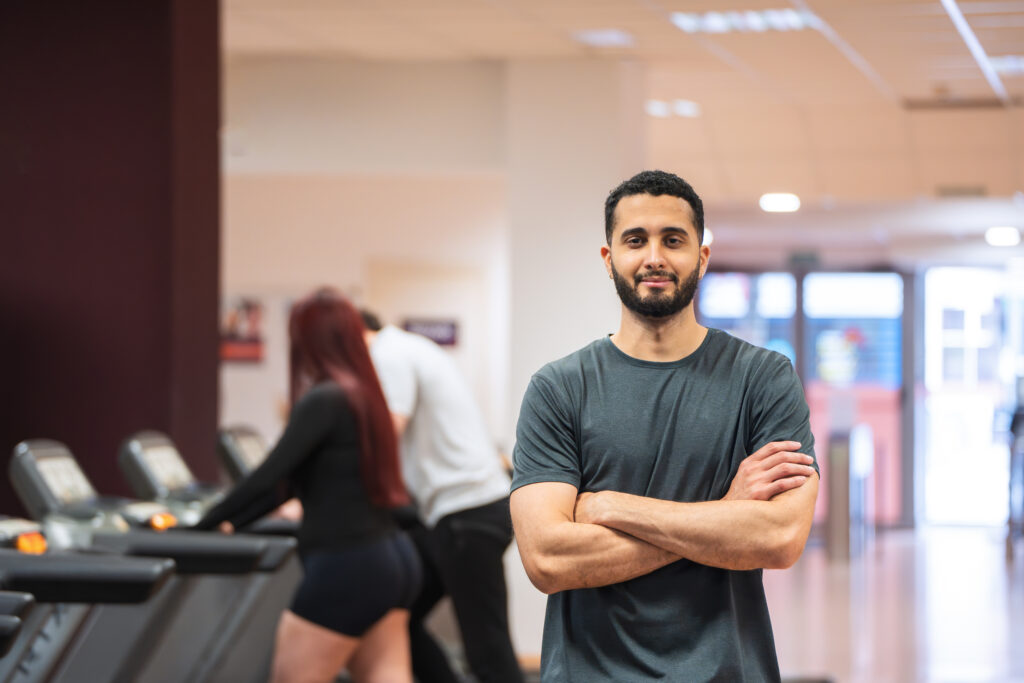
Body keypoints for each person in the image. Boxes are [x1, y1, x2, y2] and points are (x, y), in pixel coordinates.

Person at [510, 170, 820, 682]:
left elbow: (781, 537)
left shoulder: (762, 379)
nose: (654, 256)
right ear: (609, 259)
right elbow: (547, 558)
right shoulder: (560, 388)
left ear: (701, 256)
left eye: (673, 240)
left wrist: (611, 507)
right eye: (636, 240)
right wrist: (724, 516)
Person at [195, 289, 421, 683]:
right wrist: (231, 523)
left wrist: (201, 526)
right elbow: (286, 487)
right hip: (394, 558)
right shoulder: (367, 397)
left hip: (348, 565)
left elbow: (269, 474)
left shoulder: (325, 398)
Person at [362, 313, 523, 683]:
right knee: (393, 616)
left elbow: (387, 433)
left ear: (359, 334)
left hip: (467, 511)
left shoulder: (387, 353)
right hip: (457, 512)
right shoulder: (413, 348)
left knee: (487, 649)